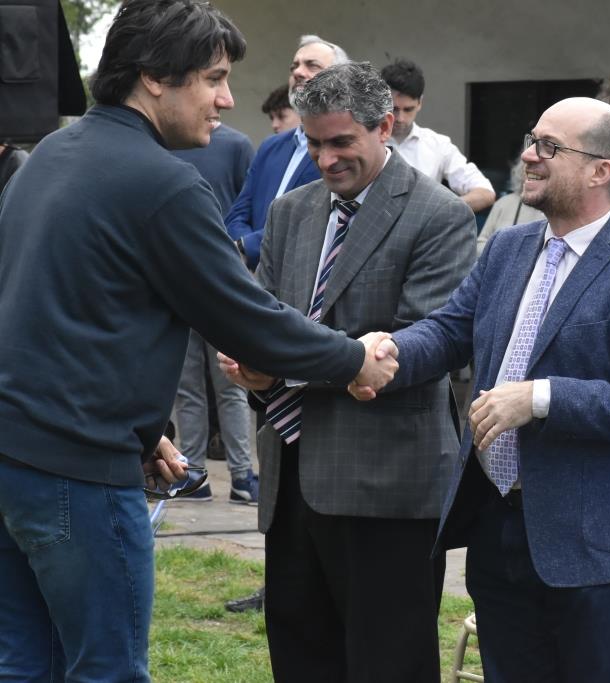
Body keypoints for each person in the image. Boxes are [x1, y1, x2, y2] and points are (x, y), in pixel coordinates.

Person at [0, 2, 395, 680]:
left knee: (24, 665)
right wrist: (354, 356)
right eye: (213, 78)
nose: (227, 99)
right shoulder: (164, 184)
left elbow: (47, 310)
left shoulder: (50, 155)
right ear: (154, 76)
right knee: (107, 670)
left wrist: (142, 430)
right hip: (78, 474)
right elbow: (248, 320)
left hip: (14, 458)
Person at [352, 97, 610, 682]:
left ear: (600, 170)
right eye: (532, 140)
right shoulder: (509, 248)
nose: (530, 156)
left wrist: (539, 398)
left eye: (549, 147)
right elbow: (450, 330)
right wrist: (382, 353)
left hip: (598, 552)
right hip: (498, 528)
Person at [218, 62, 476, 681]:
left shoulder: (439, 215)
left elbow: (428, 343)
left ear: (384, 126)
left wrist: (285, 366)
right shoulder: (290, 212)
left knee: (388, 663)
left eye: (340, 142)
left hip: (386, 486)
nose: (325, 159)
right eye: (312, 143)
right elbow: (263, 319)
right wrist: (254, 369)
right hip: (291, 477)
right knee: (301, 657)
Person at [171, 121, 258, 502]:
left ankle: (242, 477)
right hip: (174, 280)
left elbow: (249, 209)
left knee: (232, 382)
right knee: (186, 387)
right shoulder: (165, 141)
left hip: (223, 281)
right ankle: (192, 476)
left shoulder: (237, 144)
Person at [226, 34, 347, 269]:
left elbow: (315, 222)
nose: (298, 72)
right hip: (248, 274)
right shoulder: (271, 146)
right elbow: (238, 212)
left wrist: (248, 247)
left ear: (340, 81)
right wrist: (241, 250)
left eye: (312, 65)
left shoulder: (342, 152)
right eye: (294, 66)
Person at [381, 58, 496, 213]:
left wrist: (436, 213)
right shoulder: (366, 140)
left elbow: (485, 192)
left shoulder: (438, 145)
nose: (400, 118)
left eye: (408, 109)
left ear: (420, 102)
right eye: (393, 109)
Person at [476, 158, 544, 256]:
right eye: (529, 165)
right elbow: (480, 243)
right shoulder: (503, 203)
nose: (534, 172)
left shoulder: (555, 210)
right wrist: (500, 253)